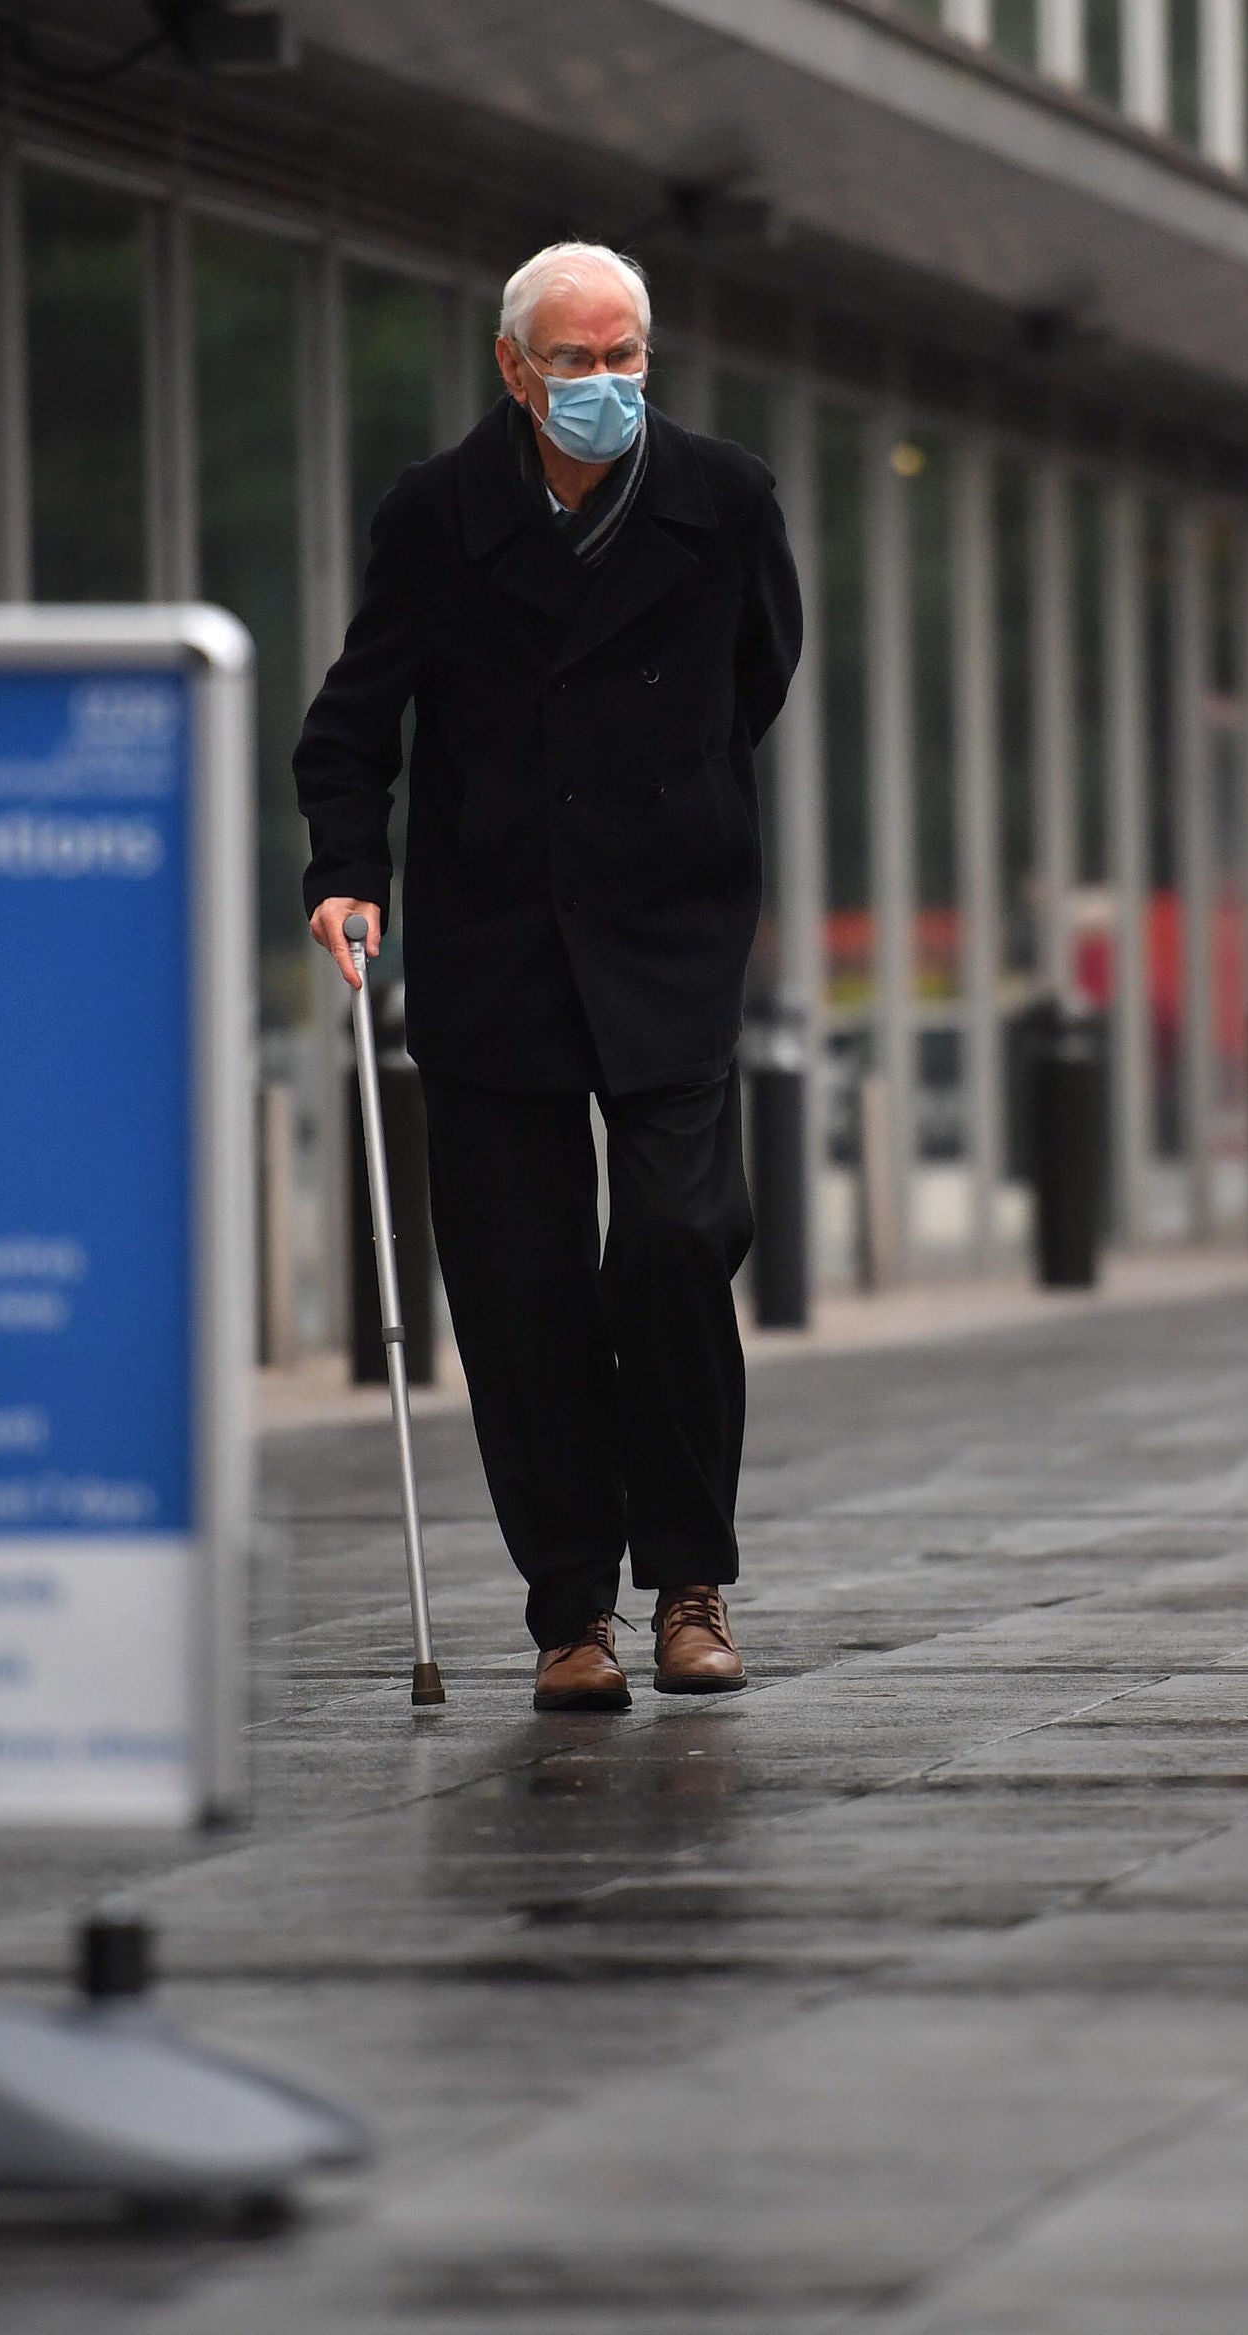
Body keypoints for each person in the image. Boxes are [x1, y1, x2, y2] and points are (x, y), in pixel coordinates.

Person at [293, 241, 803, 1709]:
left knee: (671, 1241)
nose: (604, 386)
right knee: (518, 1291)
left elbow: (751, 683)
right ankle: (569, 1609)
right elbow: (354, 722)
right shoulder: (439, 516)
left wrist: (667, 798)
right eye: (574, 362)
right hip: (497, 941)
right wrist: (344, 870)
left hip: (668, 929)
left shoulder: (726, 501)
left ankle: (691, 1580)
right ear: (514, 370)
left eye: (626, 356)